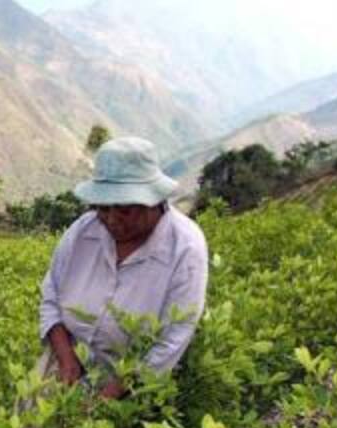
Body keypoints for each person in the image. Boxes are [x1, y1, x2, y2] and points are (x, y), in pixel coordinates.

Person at [37, 137, 209, 400]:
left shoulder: (185, 247)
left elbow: (173, 339)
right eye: (103, 209)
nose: (112, 220)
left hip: (135, 380)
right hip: (69, 357)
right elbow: (51, 296)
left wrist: (107, 399)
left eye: (125, 211)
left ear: (153, 201)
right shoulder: (83, 230)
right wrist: (66, 359)